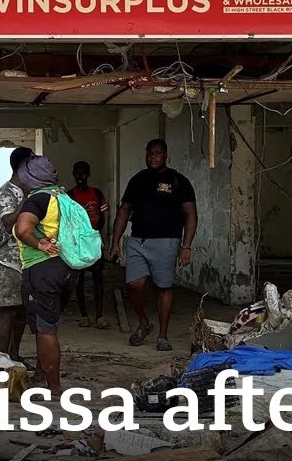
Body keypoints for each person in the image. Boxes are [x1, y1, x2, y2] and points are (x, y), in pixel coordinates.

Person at [109, 139, 197, 352]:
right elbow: (124, 210)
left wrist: (186, 247)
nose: (153, 157)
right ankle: (144, 323)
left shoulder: (178, 181)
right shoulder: (137, 180)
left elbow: (191, 215)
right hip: (138, 240)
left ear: (165, 155)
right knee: (134, 285)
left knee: (163, 287)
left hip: (167, 242)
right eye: (149, 153)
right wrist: (116, 242)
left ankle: (163, 336)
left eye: (157, 153)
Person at [12, 155, 70, 389]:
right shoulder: (63, 197)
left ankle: (54, 387)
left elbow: (22, 228)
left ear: (31, 178)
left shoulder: (37, 200)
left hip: (42, 268)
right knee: (46, 324)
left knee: (46, 330)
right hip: (66, 268)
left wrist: (39, 244)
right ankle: (40, 375)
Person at [0, 147, 34, 361]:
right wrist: (25, 200)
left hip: (26, 259)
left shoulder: (31, 190)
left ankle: (14, 355)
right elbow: (8, 224)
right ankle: (2, 357)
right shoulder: (5, 193)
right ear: (23, 166)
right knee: (7, 310)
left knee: (22, 310)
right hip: (5, 260)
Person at [66, 161, 110, 329]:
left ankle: (99, 316)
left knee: (99, 280)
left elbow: (104, 217)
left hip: (94, 242)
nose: (80, 176)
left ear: (88, 174)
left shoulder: (97, 194)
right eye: (77, 173)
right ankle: (84, 315)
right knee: (79, 280)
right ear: (73, 174)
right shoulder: (70, 196)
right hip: (78, 244)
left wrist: (103, 240)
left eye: (83, 173)